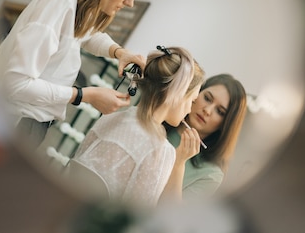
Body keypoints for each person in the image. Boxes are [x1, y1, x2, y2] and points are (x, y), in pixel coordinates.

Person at [0, 0, 153, 148]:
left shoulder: (74, 0)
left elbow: (86, 35)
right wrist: (85, 95)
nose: (130, 2)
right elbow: (16, 84)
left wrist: (119, 52)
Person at [65, 45, 206, 208]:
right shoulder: (161, 151)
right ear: (177, 94)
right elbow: (138, 214)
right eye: (192, 101)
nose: (189, 109)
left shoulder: (113, 117)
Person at [161, 73, 248, 201]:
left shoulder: (211, 174)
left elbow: (169, 213)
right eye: (207, 98)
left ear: (225, 124)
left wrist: (179, 163)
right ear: (197, 93)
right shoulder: (161, 119)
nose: (207, 110)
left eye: (220, 112)